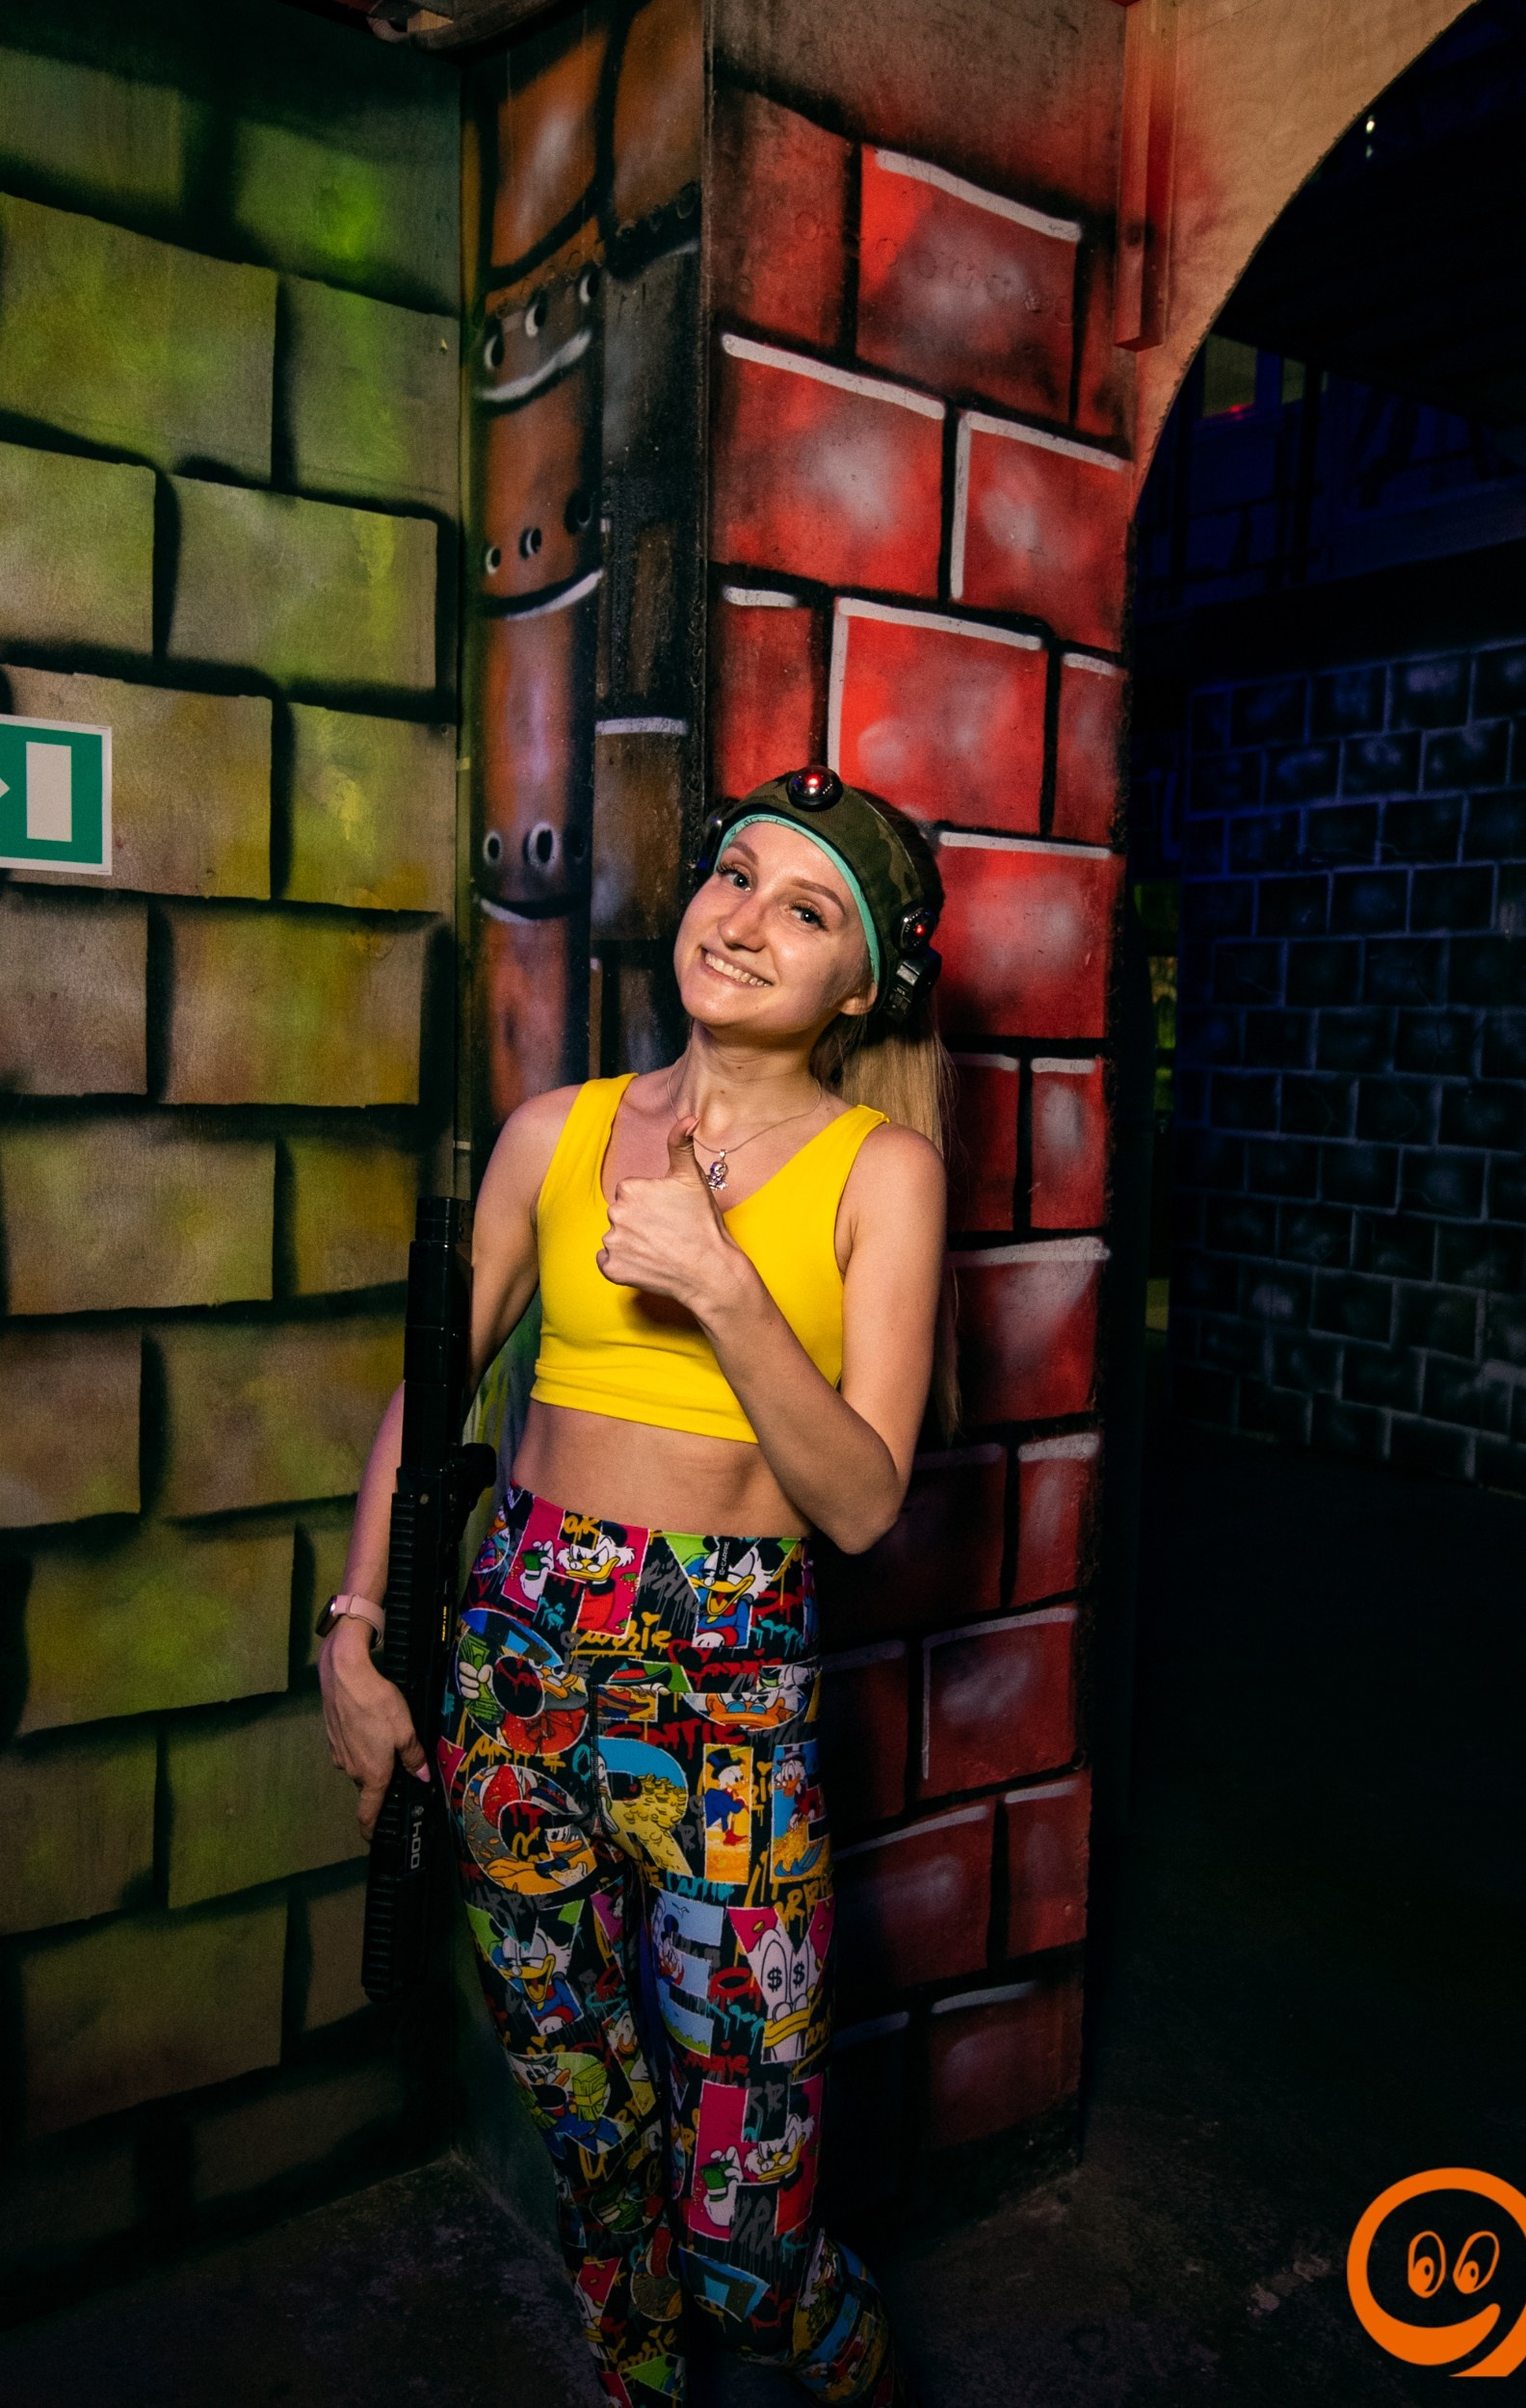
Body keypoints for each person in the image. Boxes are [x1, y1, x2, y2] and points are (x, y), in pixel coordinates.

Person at [319, 769, 952, 2407]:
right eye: (734, 876)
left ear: (861, 986)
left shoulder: (880, 1171)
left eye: (805, 911)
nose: (743, 921)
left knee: (749, 2243)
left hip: (727, 1694)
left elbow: (864, 1503)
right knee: (599, 2166)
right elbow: (432, 1397)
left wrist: (724, 1290)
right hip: (517, 1665)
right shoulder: (559, 1130)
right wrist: (354, 1632)